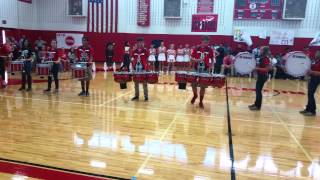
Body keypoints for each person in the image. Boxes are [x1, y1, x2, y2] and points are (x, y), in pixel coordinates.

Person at [191, 36, 214, 108]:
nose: (206, 44)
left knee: (203, 86)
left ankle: (201, 101)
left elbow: (212, 58)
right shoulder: (196, 48)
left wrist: (211, 67)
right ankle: (195, 95)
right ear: (202, 41)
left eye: (207, 42)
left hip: (205, 68)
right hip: (195, 67)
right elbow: (191, 57)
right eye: (204, 42)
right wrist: (196, 60)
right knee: (193, 84)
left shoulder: (210, 49)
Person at [248, 46, 272, 111]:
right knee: (257, 91)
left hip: (263, 76)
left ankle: (258, 106)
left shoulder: (266, 59)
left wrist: (256, 68)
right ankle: (256, 104)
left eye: (261, 50)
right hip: (260, 76)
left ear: (264, 51)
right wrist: (255, 73)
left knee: (258, 91)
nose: (260, 51)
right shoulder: (261, 58)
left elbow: (267, 69)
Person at [300, 50, 320, 116]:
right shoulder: (316, 61)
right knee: (309, 93)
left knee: (311, 93)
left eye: (317, 53)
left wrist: (312, 72)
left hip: (317, 78)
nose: (316, 53)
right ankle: (308, 109)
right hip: (312, 78)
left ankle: (312, 111)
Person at [131, 37, 149, 101]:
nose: (140, 44)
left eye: (141, 42)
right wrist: (133, 68)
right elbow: (133, 58)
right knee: (136, 83)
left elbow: (147, 55)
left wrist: (144, 48)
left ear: (143, 43)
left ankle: (146, 97)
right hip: (136, 68)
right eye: (138, 42)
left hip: (143, 69)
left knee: (144, 83)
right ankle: (136, 96)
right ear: (137, 43)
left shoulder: (145, 50)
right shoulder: (134, 51)